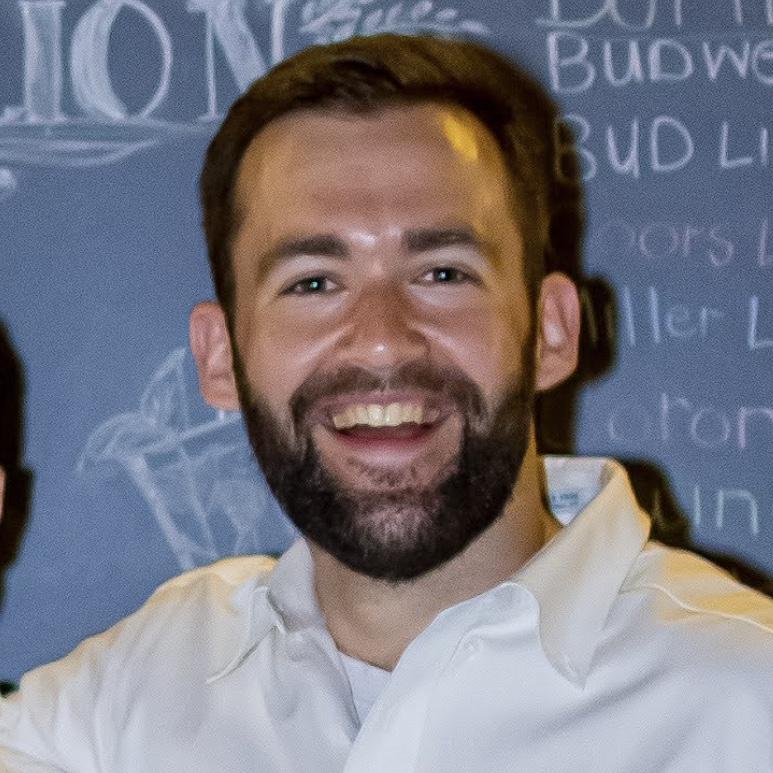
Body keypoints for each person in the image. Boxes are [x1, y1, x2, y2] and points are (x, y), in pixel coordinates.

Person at [1, 33, 772, 773]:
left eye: (442, 274)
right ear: (219, 356)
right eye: (312, 283)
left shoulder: (745, 704)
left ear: (550, 329)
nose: (379, 340)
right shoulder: (133, 693)